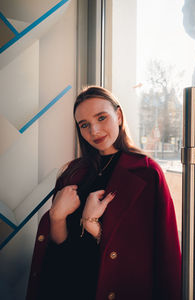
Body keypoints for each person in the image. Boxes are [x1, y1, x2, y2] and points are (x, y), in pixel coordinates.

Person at [26, 86, 181, 300]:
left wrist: (93, 226)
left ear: (118, 115)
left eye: (101, 118)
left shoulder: (147, 173)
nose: (94, 131)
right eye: (84, 125)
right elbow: (59, 251)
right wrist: (57, 217)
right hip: (67, 287)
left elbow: (166, 252)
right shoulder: (72, 173)